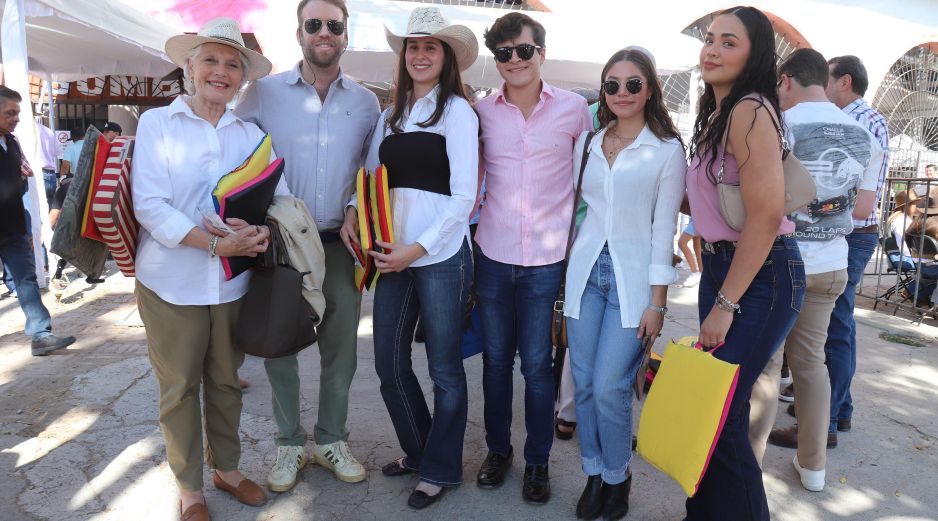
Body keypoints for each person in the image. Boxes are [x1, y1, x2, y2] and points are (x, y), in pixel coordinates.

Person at [132, 18, 285, 521]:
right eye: (211, 60)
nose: (221, 71)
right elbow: (150, 206)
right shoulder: (158, 123)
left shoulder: (250, 133)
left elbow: (273, 199)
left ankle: (228, 468)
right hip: (170, 282)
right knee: (179, 388)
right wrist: (216, 244)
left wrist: (261, 235)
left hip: (230, 284)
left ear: (242, 77)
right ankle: (189, 487)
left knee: (225, 380)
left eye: (232, 64)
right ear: (190, 68)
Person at [235, 0, 380, 492]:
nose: (324, 32)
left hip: (339, 243)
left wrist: (360, 209)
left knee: (341, 349)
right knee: (280, 348)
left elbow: (372, 169)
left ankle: (331, 438)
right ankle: (289, 443)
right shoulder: (262, 93)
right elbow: (235, 154)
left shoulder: (366, 102)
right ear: (298, 32)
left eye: (334, 26)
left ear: (345, 35)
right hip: (281, 247)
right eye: (313, 24)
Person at [341, 6, 478, 509]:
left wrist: (416, 249)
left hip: (437, 256)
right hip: (388, 251)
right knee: (388, 363)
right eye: (413, 47)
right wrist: (356, 208)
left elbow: (464, 197)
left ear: (446, 57)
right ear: (404, 56)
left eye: (430, 47)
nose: (420, 55)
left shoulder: (459, 113)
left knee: (443, 368)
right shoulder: (390, 115)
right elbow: (373, 172)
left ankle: (440, 469)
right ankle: (421, 452)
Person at [684, 7, 805, 520]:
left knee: (726, 416)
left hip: (759, 277)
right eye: (710, 39)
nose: (712, 49)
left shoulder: (750, 109)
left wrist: (725, 304)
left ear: (754, 55)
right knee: (712, 410)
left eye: (728, 42)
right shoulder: (719, 112)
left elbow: (766, 215)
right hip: (726, 268)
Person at [747, 48, 882, 493]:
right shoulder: (866, 135)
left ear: (785, 80)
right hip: (832, 263)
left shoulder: (781, 125)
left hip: (780, 262)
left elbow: (760, 202)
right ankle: (815, 468)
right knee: (811, 364)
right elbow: (863, 208)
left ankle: (749, 463)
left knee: (767, 366)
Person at [472, 12, 592, 504]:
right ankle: (498, 451)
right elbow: (468, 181)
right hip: (493, 256)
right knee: (496, 361)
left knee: (538, 367)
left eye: (523, 50)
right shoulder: (481, 112)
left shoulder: (574, 110)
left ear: (541, 52)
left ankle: (538, 461)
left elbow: (587, 185)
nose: (515, 61)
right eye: (504, 54)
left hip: (547, 261)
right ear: (496, 60)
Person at [565, 47, 685, 520]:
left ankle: (619, 476)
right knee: (583, 383)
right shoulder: (590, 143)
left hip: (632, 281)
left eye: (632, 84)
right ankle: (593, 473)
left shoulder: (667, 150)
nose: (621, 93)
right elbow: (580, 216)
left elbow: (664, 228)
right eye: (612, 84)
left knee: (610, 383)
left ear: (650, 89)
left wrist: (659, 300)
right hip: (585, 272)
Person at [823, 54, 890, 438]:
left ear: (844, 81)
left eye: (827, 80)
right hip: (851, 232)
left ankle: (825, 423)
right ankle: (838, 409)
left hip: (850, 232)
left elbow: (848, 190)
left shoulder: (859, 121)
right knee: (838, 322)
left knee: (836, 324)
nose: (823, 87)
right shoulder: (864, 119)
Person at [0, 85, 76, 356]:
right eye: (11, 112)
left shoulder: (11, 143)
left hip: (12, 230)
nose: (17, 118)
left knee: (26, 279)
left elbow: (18, 186)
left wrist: (24, 224)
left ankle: (41, 335)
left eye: (18, 112)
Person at [36, 119, 60, 207]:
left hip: (36, 173)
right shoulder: (48, 131)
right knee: (49, 204)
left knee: (34, 207)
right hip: (50, 173)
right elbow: (56, 153)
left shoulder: (22, 129)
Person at [678, 219, 702, 287]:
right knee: (697, 244)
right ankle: (701, 273)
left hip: (698, 217)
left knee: (682, 243)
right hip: (694, 217)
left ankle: (694, 272)